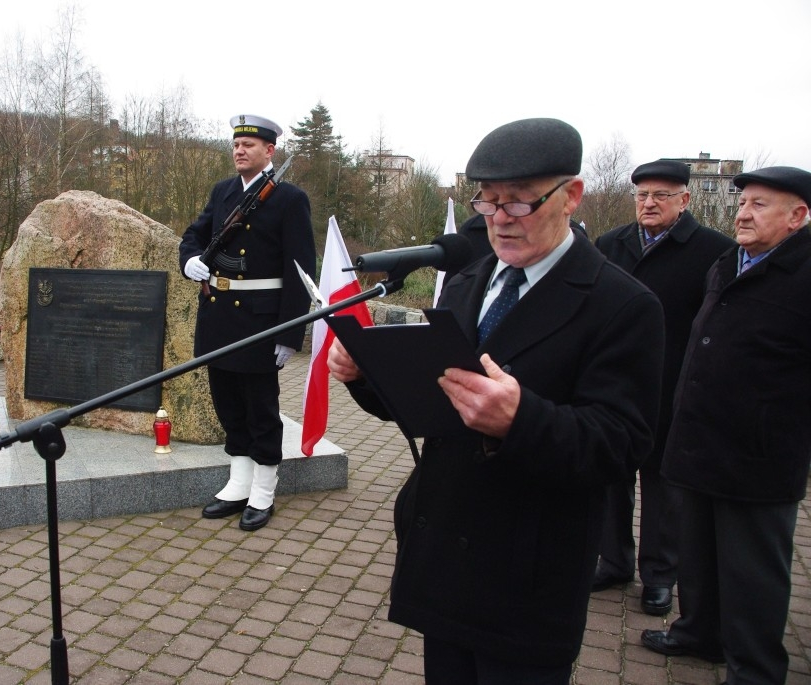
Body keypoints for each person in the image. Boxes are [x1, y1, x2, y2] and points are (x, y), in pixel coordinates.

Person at [328, 118, 664, 683]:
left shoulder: (623, 305)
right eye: (487, 202)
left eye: (519, 203)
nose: (500, 219)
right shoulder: (470, 279)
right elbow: (433, 404)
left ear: (571, 197)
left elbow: (621, 444)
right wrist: (367, 377)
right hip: (444, 553)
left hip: (527, 572)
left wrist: (521, 420)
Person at [642, 166, 811, 685]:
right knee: (697, 555)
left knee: (752, 574)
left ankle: (756, 669)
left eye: (760, 205)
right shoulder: (726, 263)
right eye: (743, 204)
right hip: (698, 441)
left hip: (758, 454)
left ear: (797, 216)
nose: (742, 213)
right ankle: (698, 634)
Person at [592, 160, 735, 616]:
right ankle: (613, 560)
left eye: (660, 196)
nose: (649, 204)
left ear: (685, 200)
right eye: (642, 196)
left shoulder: (715, 251)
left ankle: (659, 576)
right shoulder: (610, 244)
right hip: (612, 385)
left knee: (663, 490)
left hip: (672, 388)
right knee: (611, 479)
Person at [178, 114, 316, 532]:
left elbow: (300, 268)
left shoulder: (289, 199)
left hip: (261, 323)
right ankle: (238, 482)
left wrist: (289, 333)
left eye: (249, 145)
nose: (239, 150)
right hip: (219, 317)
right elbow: (193, 235)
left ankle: (264, 490)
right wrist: (191, 263)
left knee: (261, 409)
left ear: (269, 151)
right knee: (228, 404)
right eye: (236, 144)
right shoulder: (223, 192)